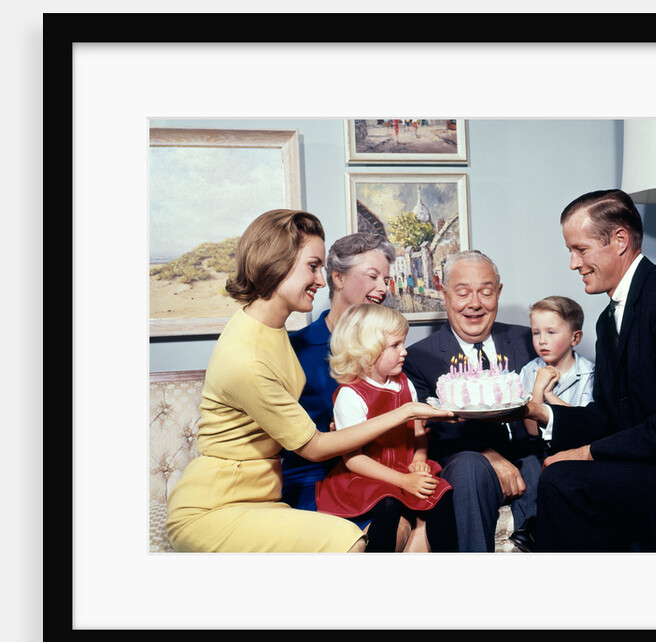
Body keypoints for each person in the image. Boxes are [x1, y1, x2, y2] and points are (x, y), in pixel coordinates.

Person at [165, 210, 452, 553]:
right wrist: (405, 413)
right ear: (277, 263)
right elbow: (313, 446)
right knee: (351, 543)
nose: (320, 280)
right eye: (313, 266)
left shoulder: (270, 329)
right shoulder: (249, 357)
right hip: (215, 507)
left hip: (260, 496)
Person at [525, 189, 656, 552]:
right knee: (558, 474)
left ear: (619, 240)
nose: (573, 264)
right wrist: (545, 415)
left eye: (580, 249)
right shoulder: (608, 320)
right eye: (570, 251)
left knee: (562, 481)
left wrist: (587, 452)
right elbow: (610, 413)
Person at [403, 250, 537, 552]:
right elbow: (431, 432)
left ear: (498, 293)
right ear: (444, 292)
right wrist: (489, 455)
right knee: (470, 467)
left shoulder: (531, 341)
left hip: (527, 453)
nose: (474, 304)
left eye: (486, 292)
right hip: (465, 460)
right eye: (463, 293)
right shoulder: (418, 358)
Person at [315, 304, 457, 552]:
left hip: (405, 467)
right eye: (395, 345)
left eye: (403, 344)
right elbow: (353, 460)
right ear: (367, 350)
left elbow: (418, 430)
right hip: (367, 475)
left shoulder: (404, 383)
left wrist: (420, 458)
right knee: (388, 503)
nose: (404, 352)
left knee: (442, 495)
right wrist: (404, 480)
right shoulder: (350, 395)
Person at [279, 231, 397, 511]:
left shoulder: (393, 351)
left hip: (382, 475)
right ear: (338, 278)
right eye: (372, 276)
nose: (383, 288)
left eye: (386, 279)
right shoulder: (295, 349)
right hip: (313, 479)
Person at [509, 295, 596, 551]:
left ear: (575, 338)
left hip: (575, 448)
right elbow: (531, 428)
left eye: (551, 332)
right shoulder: (529, 371)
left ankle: (546, 528)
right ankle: (530, 527)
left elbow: (584, 424)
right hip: (539, 446)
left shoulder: (589, 373)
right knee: (531, 467)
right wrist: (537, 387)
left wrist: (547, 395)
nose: (542, 340)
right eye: (536, 333)